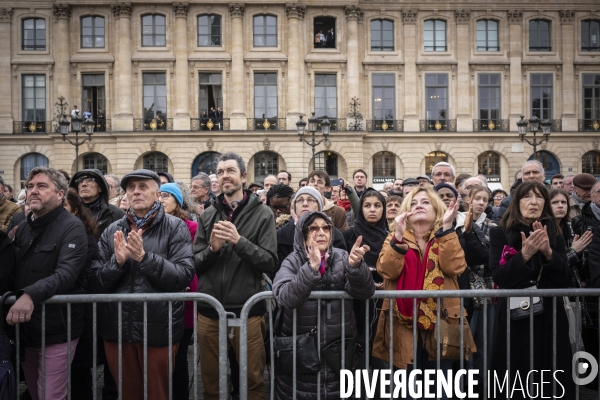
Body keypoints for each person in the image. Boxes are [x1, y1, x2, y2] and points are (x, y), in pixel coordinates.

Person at [88, 169, 195, 400]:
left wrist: (145, 259)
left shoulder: (176, 227)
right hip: (118, 330)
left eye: (143, 186)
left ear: (158, 194)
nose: (136, 191)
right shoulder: (112, 230)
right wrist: (117, 263)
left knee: (158, 394)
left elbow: (183, 275)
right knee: (127, 394)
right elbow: (94, 281)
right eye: (131, 187)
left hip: (157, 330)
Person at [372, 186, 470, 400]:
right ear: (406, 211)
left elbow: (455, 267)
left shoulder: (445, 235)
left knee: (441, 386)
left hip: (443, 321)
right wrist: (398, 238)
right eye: (414, 203)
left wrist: (446, 228)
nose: (419, 205)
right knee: (407, 389)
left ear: (437, 209)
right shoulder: (394, 237)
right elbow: (386, 270)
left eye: (425, 202)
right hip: (403, 322)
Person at [194, 152, 277, 400]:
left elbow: (270, 262)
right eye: (220, 172)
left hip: (248, 312)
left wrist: (239, 242)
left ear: (243, 176)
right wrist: (213, 249)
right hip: (210, 311)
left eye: (230, 170)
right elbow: (195, 263)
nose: (224, 176)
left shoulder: (263, 214)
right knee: (211, 383)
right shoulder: (208, 214)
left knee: (252, 381)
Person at [273, 211, 375, 399]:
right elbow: (285, 297)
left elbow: (365, 292)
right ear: (302, 234)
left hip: (339, 352)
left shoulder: (343, 257)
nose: (321, 232)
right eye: (313, 228)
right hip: (303, 355)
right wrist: (311, 268)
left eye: (326, 228)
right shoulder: (293, 261)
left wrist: (355, 267)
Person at [5, 167, 88, 400]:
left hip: (57, 328)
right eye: (30, 186)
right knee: (34, 390)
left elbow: (66, 274)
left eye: (42, 186)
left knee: (50, 394)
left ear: (60, 194)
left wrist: (29, 295)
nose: (33, 191)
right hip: (26, 328)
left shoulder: (72, 227)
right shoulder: (22, 227)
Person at [488, 181, 574, 398]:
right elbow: (499, 277)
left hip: (550, 317)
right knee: (515, 374)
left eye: (539, 197)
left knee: (550, 375)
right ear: (517, 202)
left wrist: (549, 254)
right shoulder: (500, 233)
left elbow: (565, 279)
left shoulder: (554, 232)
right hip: (514, 318)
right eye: (527, 197)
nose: (534, 202)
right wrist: (523, 256)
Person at [158, 183, 199, 400]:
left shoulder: (191, 227)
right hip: (158, 299)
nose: (161, 199)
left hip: (184, 298)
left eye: (166, 196)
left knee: (179, 356)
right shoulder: (152, 225)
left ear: (178, 201)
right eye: (159, 195)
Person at [454, 185, 497, 385]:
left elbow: (488, 256)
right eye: (477, 198)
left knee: (482, 339)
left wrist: (472, 232)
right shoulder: (456, 221)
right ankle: (463, 381)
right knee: (462, 339)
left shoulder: (493, 226)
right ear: (468, 199)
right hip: (460, 288)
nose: (481, 202)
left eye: (485, 199)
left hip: (484, 288)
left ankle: (480, 382)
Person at [342, 189, 388, 372]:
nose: (372, 210)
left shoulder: (390, 237)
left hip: (383, 303)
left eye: (377, 206)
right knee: (355, 360)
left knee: (380, 358)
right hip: (354, 304)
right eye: (367, 205)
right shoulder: (348, 236)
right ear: (360, 209)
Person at [64, 189, 100, 400]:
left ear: (76, 211)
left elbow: (73, 276)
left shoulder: (86, 240)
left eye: (64, 209)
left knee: (78, 376)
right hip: (49, 319)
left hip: (77, 315)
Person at [276, 186, 347, 273]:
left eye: (310, 200)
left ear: (319, 206)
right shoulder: (280, 235)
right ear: (294, 207)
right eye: (300, 200)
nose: (305, 204)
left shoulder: (334, 234)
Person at [69, 169, 125, 238]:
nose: (83, 184)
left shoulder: (117, 214)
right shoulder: (69, 212)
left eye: (90, 180)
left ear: (100, 188)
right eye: (80, 181)